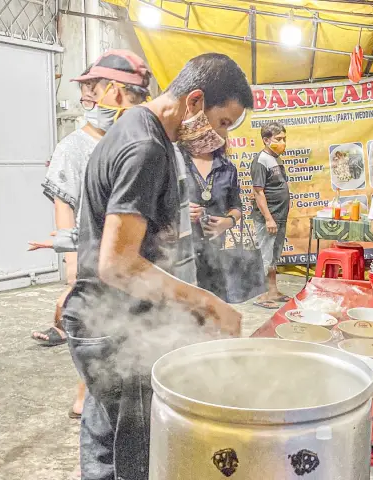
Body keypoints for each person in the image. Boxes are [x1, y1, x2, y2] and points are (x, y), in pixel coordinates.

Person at [63, 52, 252, 480]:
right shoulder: (145, 145)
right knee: (134, 453)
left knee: (105, 438)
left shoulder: (140, 129)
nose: (219, 138)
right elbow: (116, 264)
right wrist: (207, 303)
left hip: (102, 316)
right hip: (112, 325)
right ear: (195, 100)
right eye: (222, 122)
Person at [30, 52, 152, 423]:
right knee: (96, 330)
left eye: (93, 94)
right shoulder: (73, 147)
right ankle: (86, 397)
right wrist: (72, 270)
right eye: (87, 97)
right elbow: (64, 205)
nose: (92, 102)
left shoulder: (132, 141)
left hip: (131, 257)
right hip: (93, 258)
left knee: (126, 332)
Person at [181, 140, 242, 301]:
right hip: (180, 253)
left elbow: (236, 206)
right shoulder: (175, 163)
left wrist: (227, 222)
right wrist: (179, 210)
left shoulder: (227, 168)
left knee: (215, 305)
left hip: (215, 254)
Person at [250, 122, 291, 309]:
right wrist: (268, 218)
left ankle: (273, 291)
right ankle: (263, 296)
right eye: (278, 139)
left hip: (280, 216)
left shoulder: (276, 158)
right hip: (269, 218)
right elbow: (258, 192)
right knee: (265, 257)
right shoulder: (261, 161)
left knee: (274, 256)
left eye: (284, 139)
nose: (283, 142)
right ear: (266, 140)